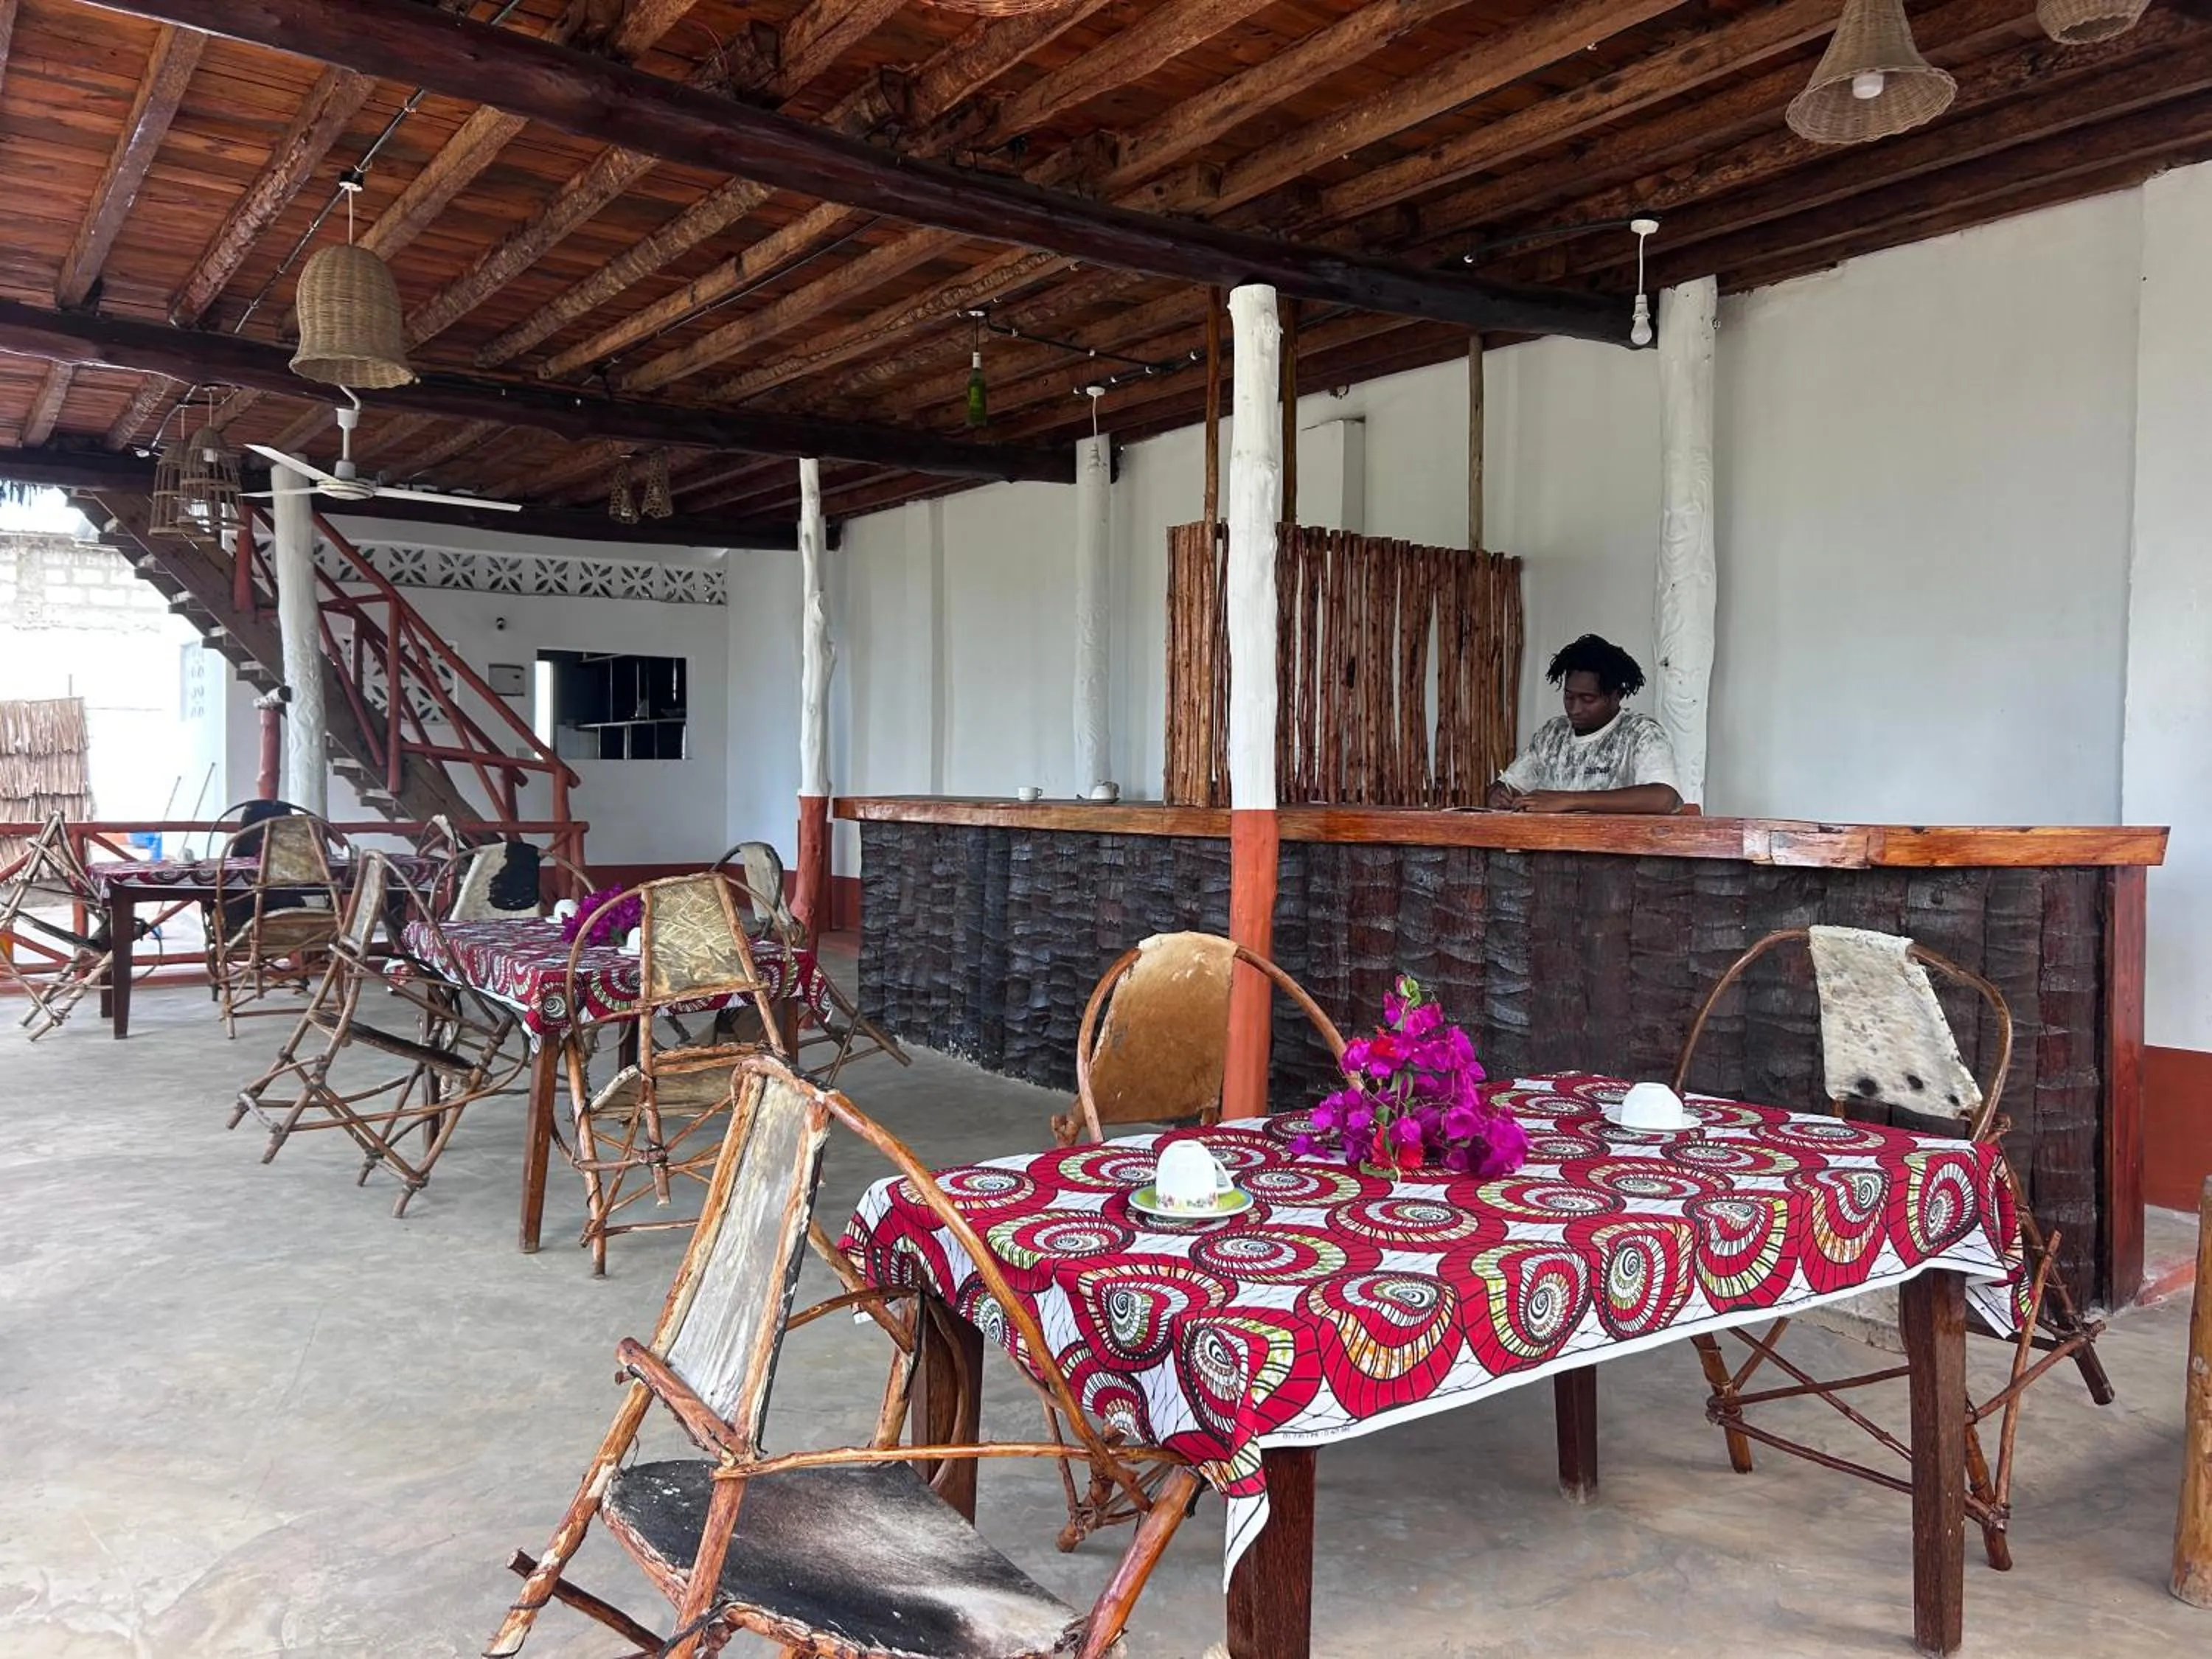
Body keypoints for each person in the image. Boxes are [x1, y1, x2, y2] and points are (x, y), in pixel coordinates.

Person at [1486, 634, 1683, 814]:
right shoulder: (1552, 734)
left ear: (1617, 696)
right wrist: (1499, 792)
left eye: (1588, 699)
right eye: (1569, 696)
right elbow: (1510, 784)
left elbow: (1664, 798)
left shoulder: (1641, 734)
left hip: (1615, 850)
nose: (1575, 708)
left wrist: (1570, 800)